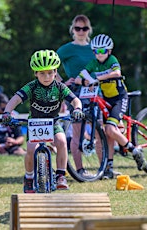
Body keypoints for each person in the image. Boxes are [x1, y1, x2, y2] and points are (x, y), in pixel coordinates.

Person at [1, 49, 84, 193]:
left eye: (50, 73)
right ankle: (28, 178)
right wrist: (7, 112)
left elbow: (76, 100)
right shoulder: (32, 87)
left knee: (62, 141)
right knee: (31, 149)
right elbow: (15, 99)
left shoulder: (60, 87)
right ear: (35, 73)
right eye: (42, 73)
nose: (47, 77)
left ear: (56, 72)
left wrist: (77, 109)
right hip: (35, 123)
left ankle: (60, 176)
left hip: (53, 122)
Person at [75, 34, 145, 179]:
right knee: (108, 133)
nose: (99, 54)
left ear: (109, 51)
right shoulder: (93, 63)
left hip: (119, 98)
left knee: (110, 129)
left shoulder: (112, 60)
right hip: (105, 98)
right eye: (96, 51)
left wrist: (97, 78)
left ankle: (134, 150)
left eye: (102, 51)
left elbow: (117, 72)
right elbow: (79, 77)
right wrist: (84, 82)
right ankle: (108, 168)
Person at [56, 14, 98, 177]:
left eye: (84, 28)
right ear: (72, 30)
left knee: (100, 127)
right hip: (75, 92)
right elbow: (51, 65)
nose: (81, 31)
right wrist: (61, 82)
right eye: (78, 28)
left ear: (89, 30)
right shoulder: (67, 49)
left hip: (94, 91)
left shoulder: (94, 47)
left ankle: (105, 167)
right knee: (77, 130)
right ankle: (79, 169)